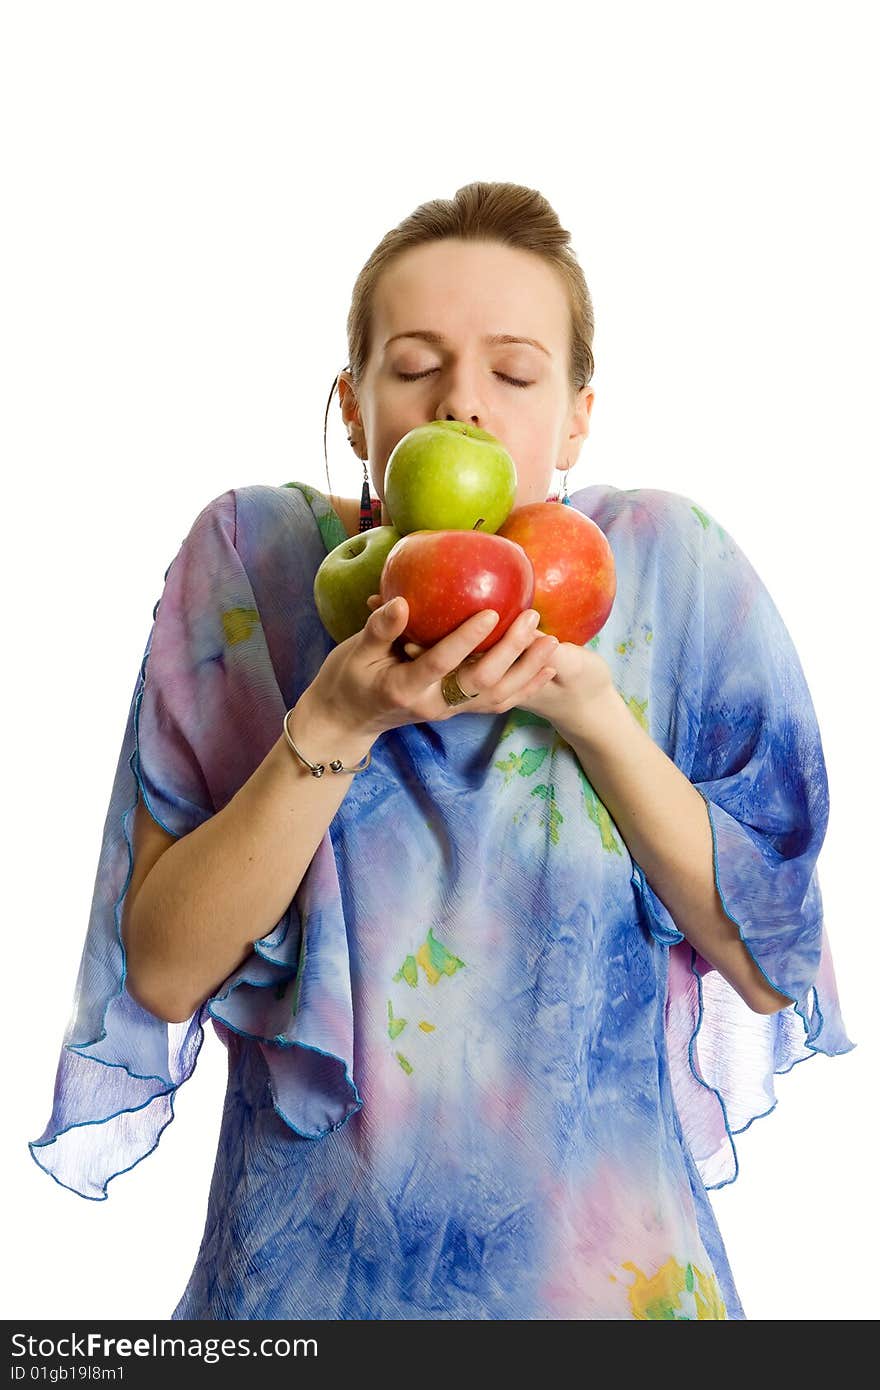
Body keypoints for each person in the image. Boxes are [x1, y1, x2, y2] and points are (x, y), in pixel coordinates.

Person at [29, 180, 854, 1320]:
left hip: (604, 1284)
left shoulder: (670, 572)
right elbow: (163, 972)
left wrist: (593, 717)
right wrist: (332, 721)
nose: (462, 404)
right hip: (304, 1293)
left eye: (515, 374)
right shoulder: (256, 567)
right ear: (355, 409)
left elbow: (768, 962)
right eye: (414, 367)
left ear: (575, 416)